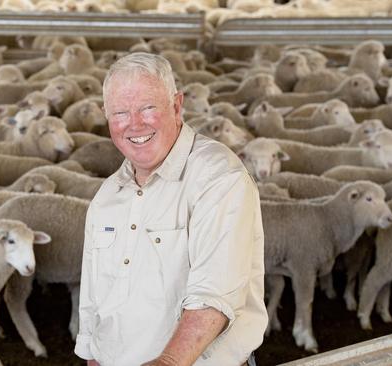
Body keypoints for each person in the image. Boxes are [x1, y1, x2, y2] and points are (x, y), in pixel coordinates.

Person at [74, 52, 267, 366]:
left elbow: (215, 296)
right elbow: (93, 309)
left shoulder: (218, 177)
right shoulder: (107, 197)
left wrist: (168, 362)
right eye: (120, 112)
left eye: (148, 108)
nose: (134, 124)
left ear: (176, 106)